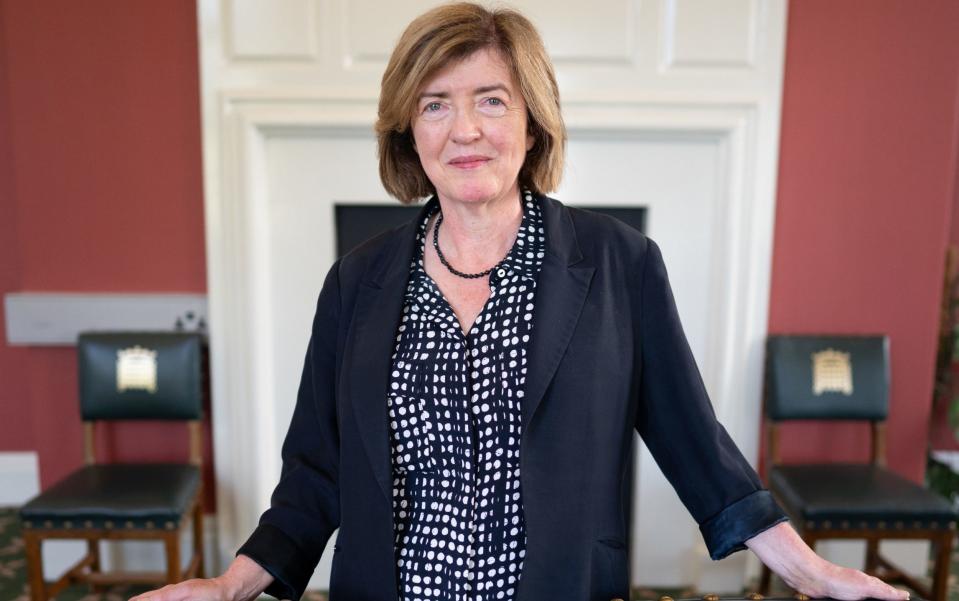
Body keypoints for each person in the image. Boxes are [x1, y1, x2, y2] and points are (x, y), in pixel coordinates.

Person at [133, 4, 912, 601]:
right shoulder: (356, 282)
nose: (463, 128)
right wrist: (231, 584)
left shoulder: (618, 265)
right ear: (408, 132)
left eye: (491, 100)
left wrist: (807, 570)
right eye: (435, 104)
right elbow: (314, 472)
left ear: (533, 122)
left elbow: (694, 445)